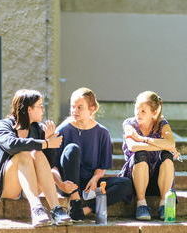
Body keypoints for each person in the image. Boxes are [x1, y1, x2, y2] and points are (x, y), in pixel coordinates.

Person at [0, 89, 71, 227]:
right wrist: (44, 143)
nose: (43, 110)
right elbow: (11, 145)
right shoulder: (3, 125)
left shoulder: (38, 129)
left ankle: (56, 209)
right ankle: (36, 209)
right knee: (23, 154)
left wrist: (48, 143)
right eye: (40, 106)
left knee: (37, 153)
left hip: (34, 183)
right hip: (8, 186)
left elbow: (48, 165)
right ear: (29, 109)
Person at [52, 87, 133, 221]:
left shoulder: (102, 133)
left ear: (92, 108)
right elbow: (52, 166)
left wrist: (95, 179)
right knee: (72, 149)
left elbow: (102, 166)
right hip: (68, 184)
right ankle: (75, 202)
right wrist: (61, 184)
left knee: (125, 183)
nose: (74, 111)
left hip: (89, 186)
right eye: (72, 106)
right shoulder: (62, 130)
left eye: (79, 107)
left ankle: (85, 210)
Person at [119, 91, 179, 220]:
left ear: (154, 112)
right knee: (140, 154)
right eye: (137, 109)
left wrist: (142, 139)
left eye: (143, 111)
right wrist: (162, 144)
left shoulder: (162, 123)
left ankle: (164, 203)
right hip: (135, 177)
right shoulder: (129, 123)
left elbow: (171, 144)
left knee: (167, 156)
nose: (138, 113)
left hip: (157, 179)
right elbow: (133, 146)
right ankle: (141, 204)